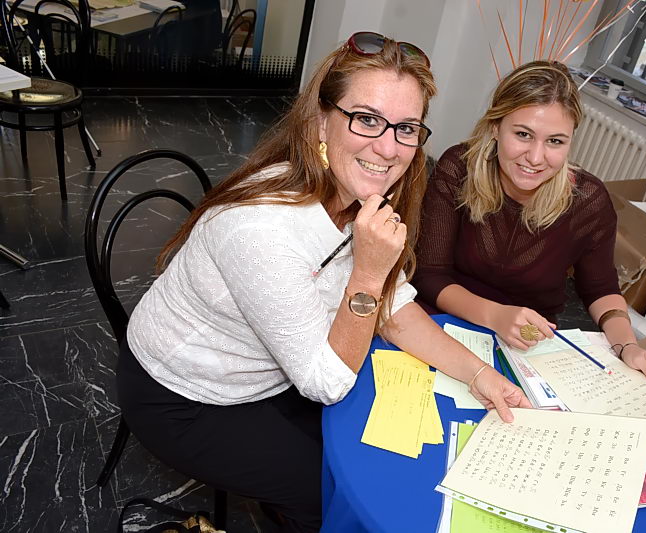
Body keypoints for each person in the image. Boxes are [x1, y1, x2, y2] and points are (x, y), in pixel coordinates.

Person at [117, 32, 530, 533]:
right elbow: (326, 382)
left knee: (365, 452)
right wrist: (368, 272)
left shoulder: (357, 194)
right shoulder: (258, 230)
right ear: (320, 121)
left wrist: (478, 373)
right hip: (186, 396)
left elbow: (394, 308)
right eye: (367, 119)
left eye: (406, 128)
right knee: (326, 490)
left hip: (273, 370)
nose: (388, 148)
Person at [415, 60, 646, 382]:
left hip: (526, 347)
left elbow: (601, 288)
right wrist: (494, 315)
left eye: (555, 141)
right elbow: (429, 274)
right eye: (523, 134)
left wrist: (627, 346)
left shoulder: (588, 200)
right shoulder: (459, 168)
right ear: (495, 128)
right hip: (442, 322)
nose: (535, 158)